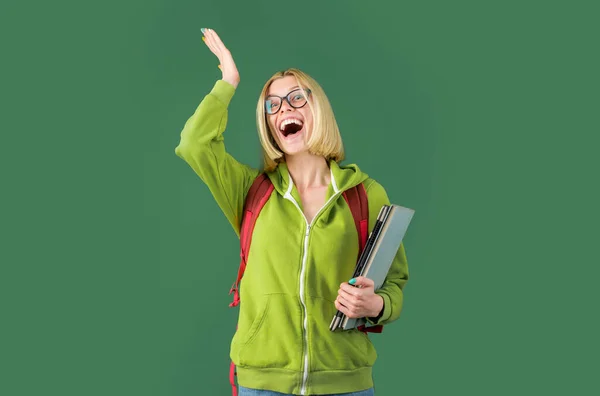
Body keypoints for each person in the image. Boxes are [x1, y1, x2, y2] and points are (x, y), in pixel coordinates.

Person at [175, 28, 409, 396]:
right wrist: (228, 82)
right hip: (262, 383)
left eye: (296, 98)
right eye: (273, 104)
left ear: (318, 108)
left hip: (344, 384)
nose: (284, 108)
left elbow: (394, 285)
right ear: (269, 123)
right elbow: (194, 144)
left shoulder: (365, 194)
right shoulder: (250, 191)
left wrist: (376, 303)